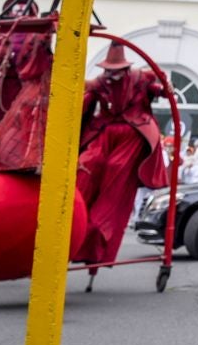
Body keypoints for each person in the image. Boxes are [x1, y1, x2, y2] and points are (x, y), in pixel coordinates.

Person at [73, 42, 170, 270]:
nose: (111, 75)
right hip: (105, 132)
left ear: (125, 69)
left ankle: (97, 237)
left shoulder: (141, 78)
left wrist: (163, 86)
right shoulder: (99, 83)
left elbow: (161, 88)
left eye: (116, 70)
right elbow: (84, 104)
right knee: (88, 165)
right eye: (108, 70)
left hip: (132, 133)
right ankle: (73, 224)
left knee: (117, 173)